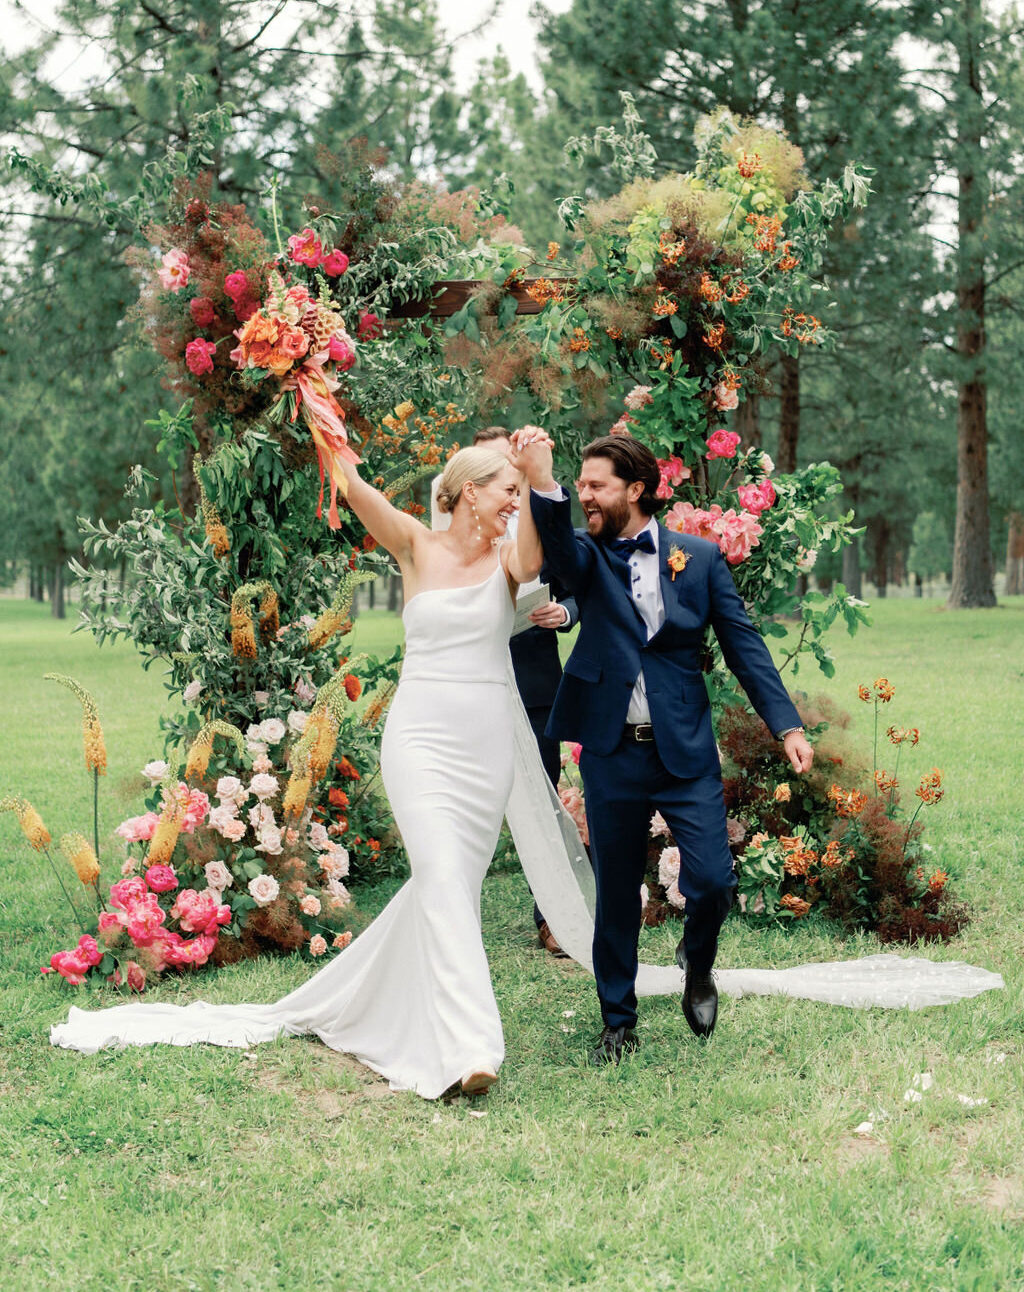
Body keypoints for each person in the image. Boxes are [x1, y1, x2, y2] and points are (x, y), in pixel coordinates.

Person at [50, 441, 551, 1101]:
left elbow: (538, 555)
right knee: (436, 872)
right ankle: (472, 1044)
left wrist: (541, 474)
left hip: (483, 747)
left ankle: (373, 1000)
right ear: (467, 491)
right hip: (422, 740)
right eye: (506, 489)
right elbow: (350, 483)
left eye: (520, 493)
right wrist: (313, 390)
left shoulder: (508, 563)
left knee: (452, 884)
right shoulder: (413, 544)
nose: (514, 502)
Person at [512, 426, 815, 1064]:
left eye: (597, 486)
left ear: (639, 489)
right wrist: (544, 482)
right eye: (582, 486)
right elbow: (558, 559)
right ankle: (617, 1022)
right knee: (616, 892)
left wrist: (785, 725)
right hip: (611, 752)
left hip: (683, 749)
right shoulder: (588, 557)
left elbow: (744, 646)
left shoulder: (700, 559)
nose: (587, 496)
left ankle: (697, 968)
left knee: (711, 881)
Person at [433, 424, 578, 955]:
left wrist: (566, 613)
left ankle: (555, 918)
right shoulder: (446, 544)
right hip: (470, 684)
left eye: (512, 473)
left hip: (535, 680)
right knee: (463, 806)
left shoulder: (537, 520)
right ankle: (451, 918)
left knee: (545, 802)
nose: (508, 484)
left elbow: (575, 579)